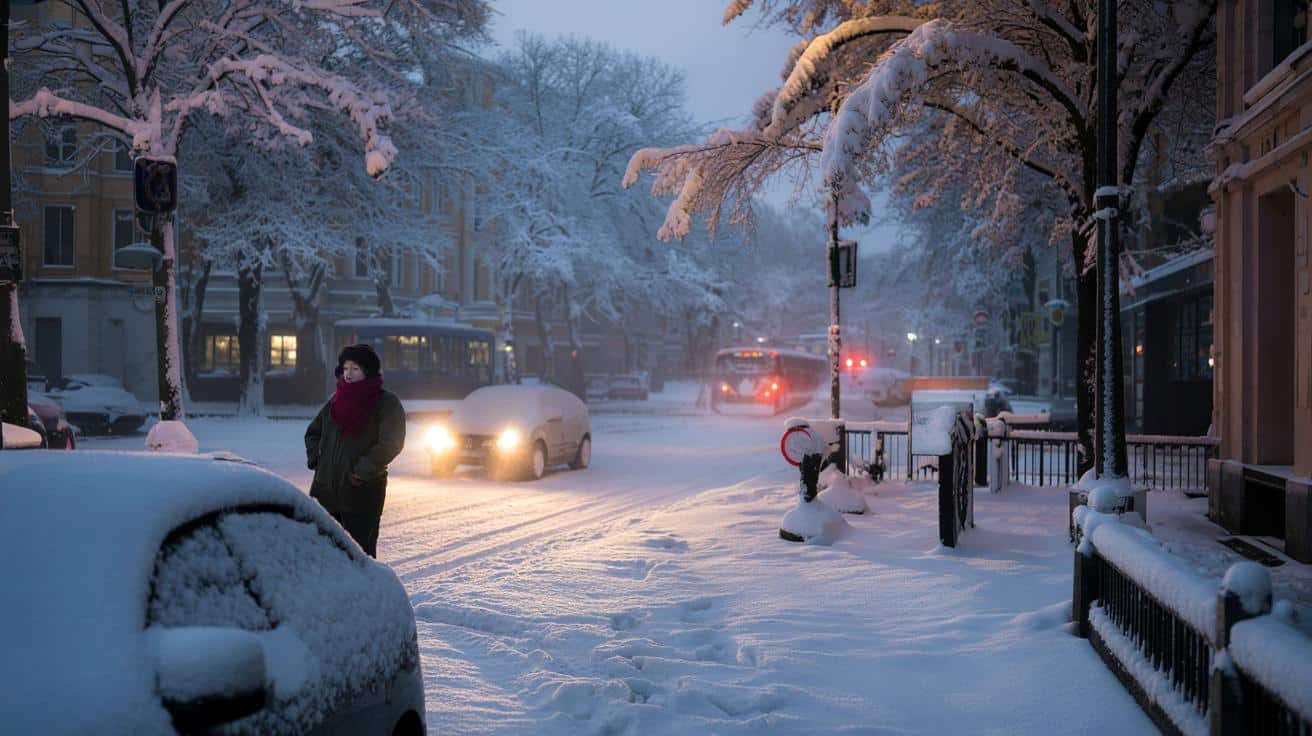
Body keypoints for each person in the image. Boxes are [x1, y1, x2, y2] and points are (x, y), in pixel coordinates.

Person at [305, 344, 405, 558]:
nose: (348, 374)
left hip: (361, 492)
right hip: (325, 492)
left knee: (359, 556)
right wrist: (317, 461)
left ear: (368, 370)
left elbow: (391, 443)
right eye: (346, 368)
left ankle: (364, 592)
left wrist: (361, 472)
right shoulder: (336, 400)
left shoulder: (386, 403)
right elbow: (313, 433)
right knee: (322, 554)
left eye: (355, 369)